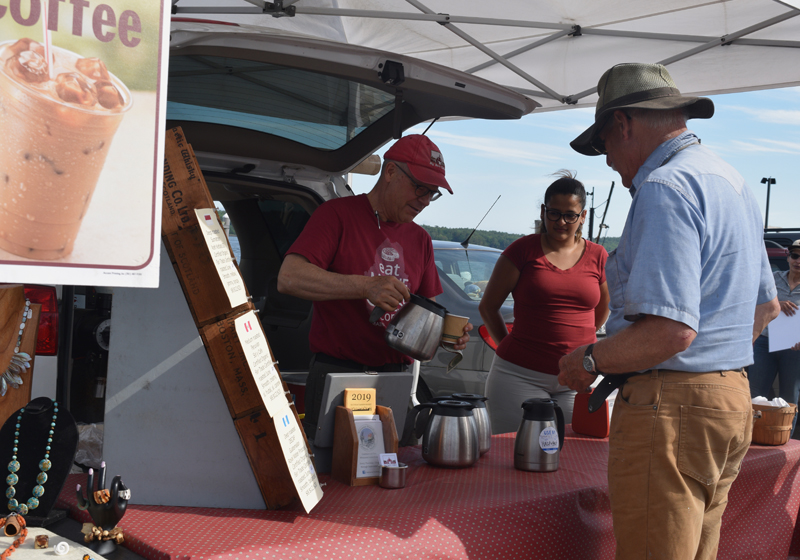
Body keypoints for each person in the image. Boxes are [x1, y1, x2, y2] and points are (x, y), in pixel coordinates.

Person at [557, 63, 779, 560]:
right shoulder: (733, 181)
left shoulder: (665, 186)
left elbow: (670, 332)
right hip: (729, 398)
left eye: (606, 147)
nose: (610, 163)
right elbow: (764, 308)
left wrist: (589, 359)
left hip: (671, 406)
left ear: (623, 125)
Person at [277, 134, 471, 439]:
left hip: (395, 378)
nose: (423, 200)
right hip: (338, 373)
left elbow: (430, 310)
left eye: (432, 193)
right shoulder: (337, 215)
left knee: (390, 468)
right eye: (420, 188)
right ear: (391, 172)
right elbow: (290, 277)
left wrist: (448, 337)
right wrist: (366, 286)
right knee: (333, 472)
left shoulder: (420, 239)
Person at [479, 171, 609, 433]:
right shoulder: (522, 251)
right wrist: (508, 346)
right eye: (554, 213)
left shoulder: (598, 255)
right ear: (543, 211)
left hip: (576, 380)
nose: (561, 222)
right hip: (518, 376)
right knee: (513, 457)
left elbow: (602, 309)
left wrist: (577, 342)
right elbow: (488, 307)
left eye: (570, 215)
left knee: (576, 462)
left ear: (583, 216)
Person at [749, 239, 800, 434]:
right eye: (795, 255)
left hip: (794, 349)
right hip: (764, 342)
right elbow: (754, 299)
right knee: (755, 395)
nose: (798, 260)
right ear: (788, 257)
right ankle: (751, 439)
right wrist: (778, 302)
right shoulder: (773, 278)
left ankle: (784, 442)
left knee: (789, 399)